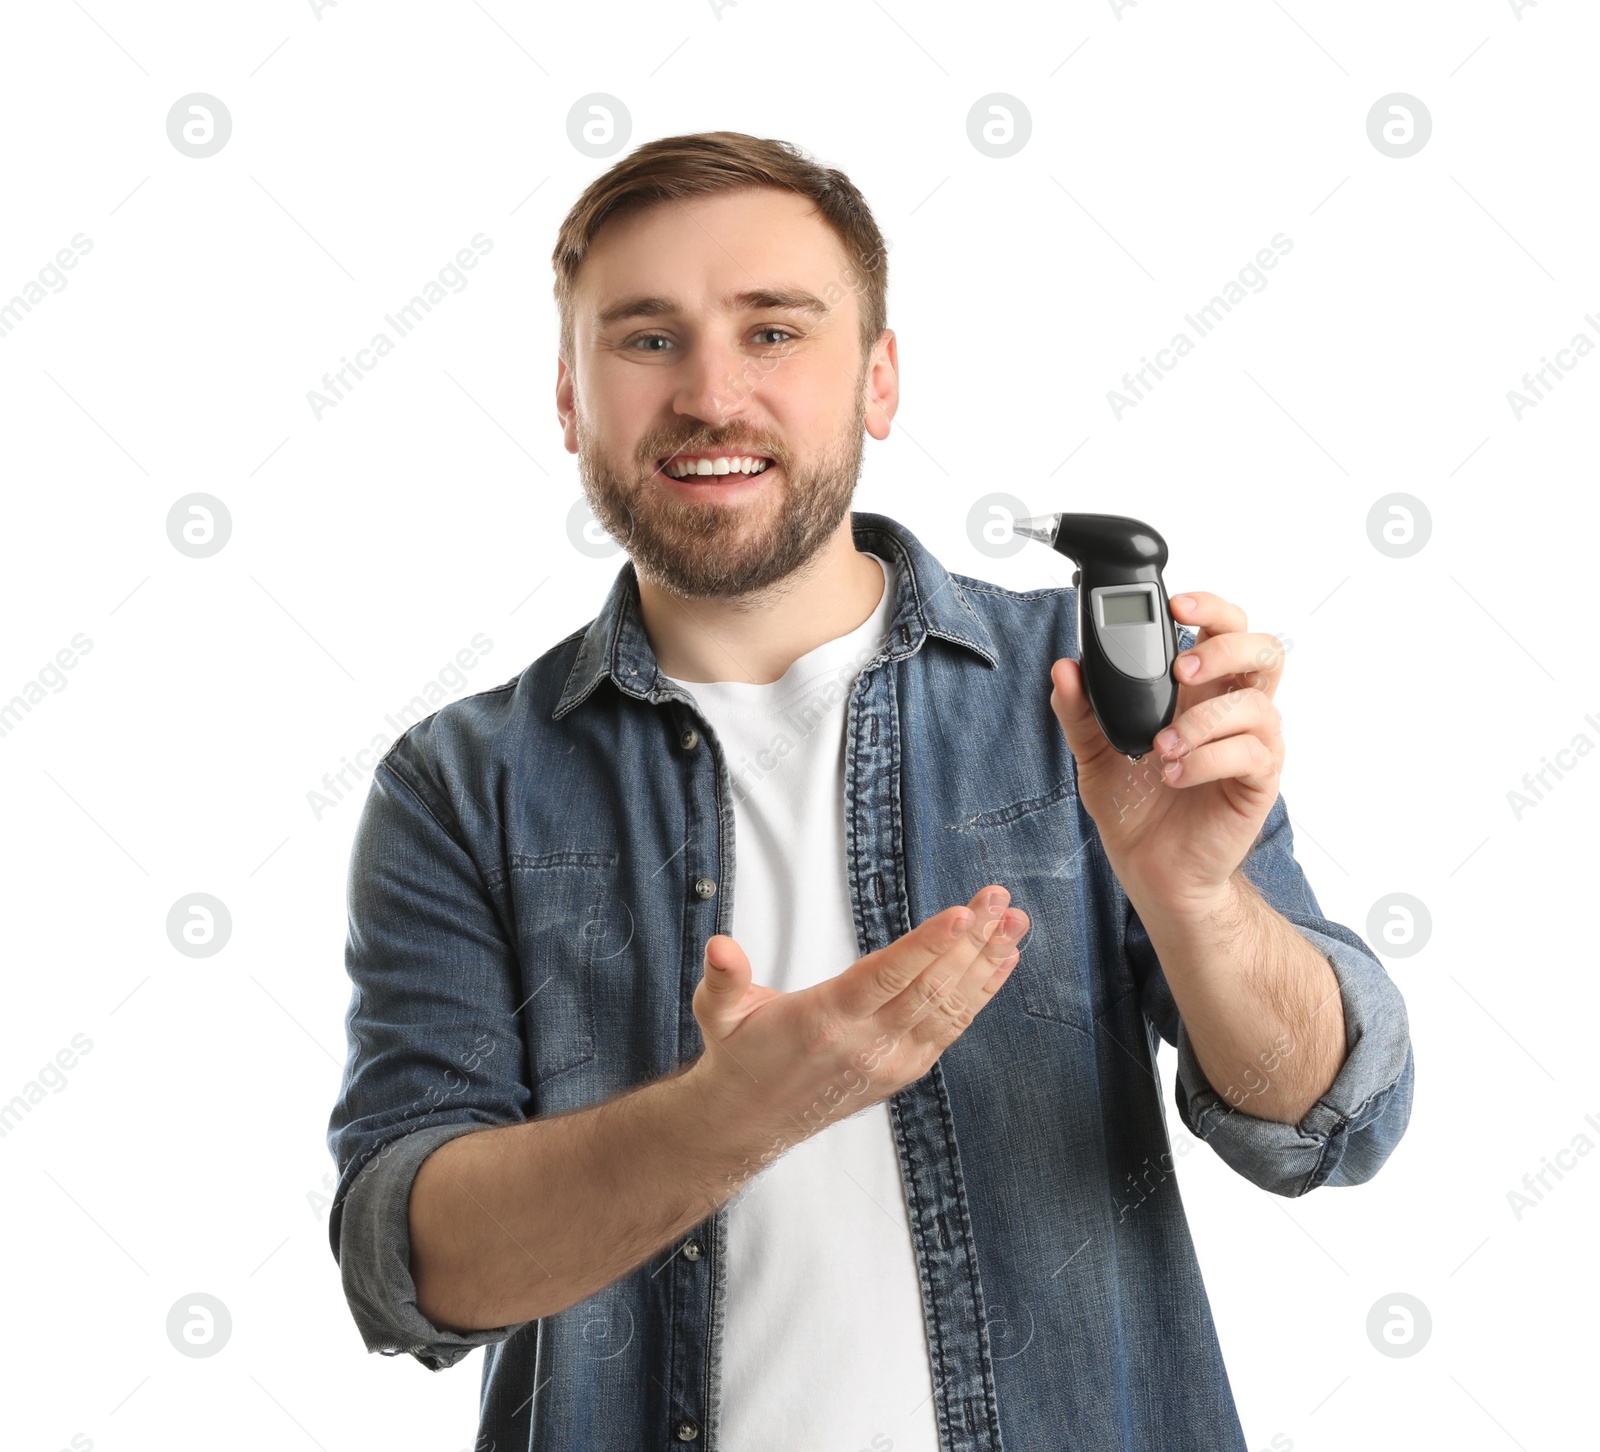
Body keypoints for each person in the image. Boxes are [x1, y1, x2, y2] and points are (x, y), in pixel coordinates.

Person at [325, 130, 1414, 1452]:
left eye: (775, 333)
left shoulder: (1087, 692)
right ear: (569, 397)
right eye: (647, 339)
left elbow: (1323, 1119)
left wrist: (1196, 896)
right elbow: (411, 1264)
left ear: (879, 379)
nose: (713, 396)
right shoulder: (463, 782)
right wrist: (725, 1119)